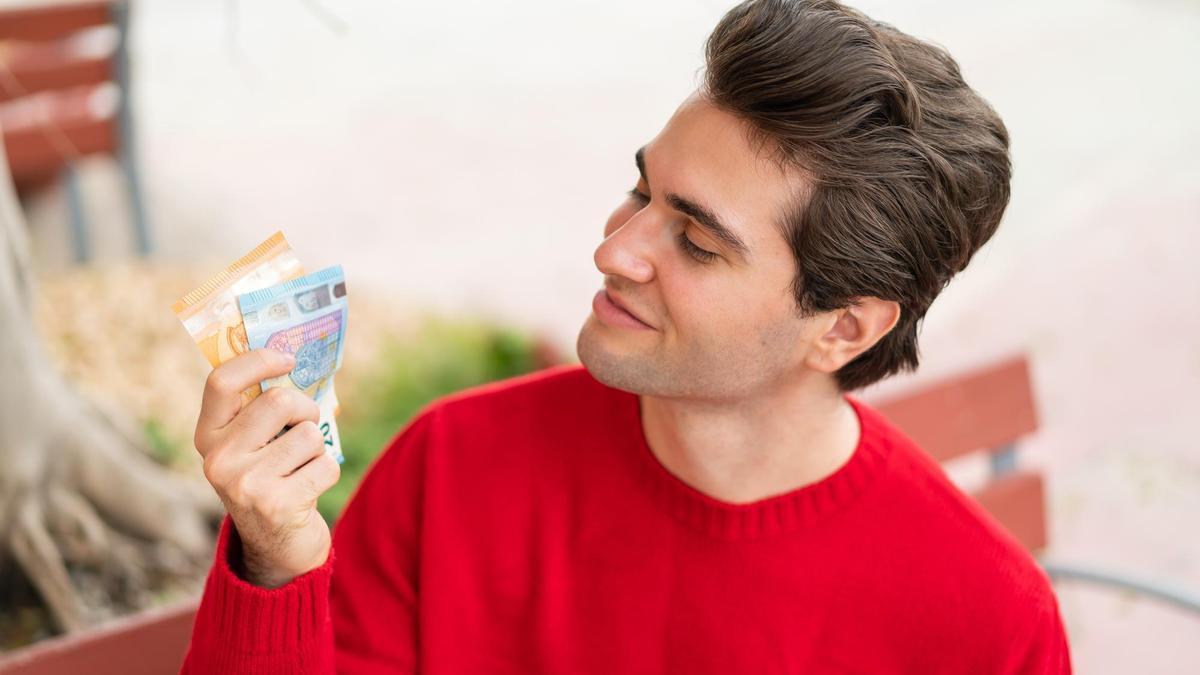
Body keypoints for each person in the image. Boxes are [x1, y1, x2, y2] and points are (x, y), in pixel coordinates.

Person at [181, 0, 1072, 672]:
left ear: (844, 326)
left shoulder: (985, 621)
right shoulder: (450, 467)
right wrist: (279, 564)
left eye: (696, 241)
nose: (614, 248)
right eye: (642, 191)